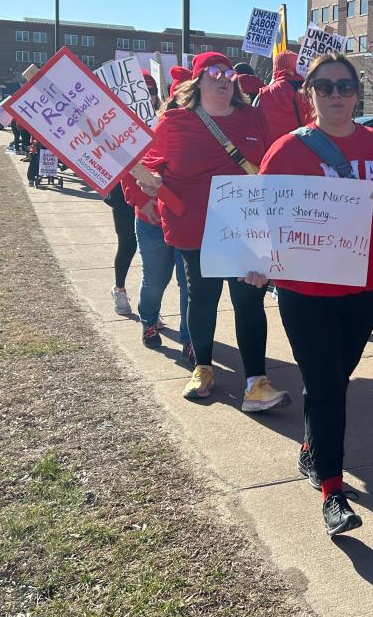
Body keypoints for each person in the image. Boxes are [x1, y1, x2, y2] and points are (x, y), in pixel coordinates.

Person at [258, 52, 373, 537]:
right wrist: (254, 260)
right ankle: (333, 489)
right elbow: (259, 213)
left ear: (357, 93)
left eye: (345, 86)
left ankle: (313, 448)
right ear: (309, 94)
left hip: (365, 283)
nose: (336, 95)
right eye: (325, 87)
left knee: (335, 377)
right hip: (304, 288)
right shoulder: (287, 151)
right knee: (327, 383)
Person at [137, 51, 289, 413]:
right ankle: (202, 368)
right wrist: (149, 188)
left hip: (246, 229)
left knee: (249, 301)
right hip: (194, 227)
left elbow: (276, 163)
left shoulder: (254, 117)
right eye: (212, 72)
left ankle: (256, 381)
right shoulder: (174, 122)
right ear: (198, 81)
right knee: (201, 298)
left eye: (227, 73)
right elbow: (144, 163)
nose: (222, 78)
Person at [121, 82, 191, 360]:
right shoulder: (149, 130)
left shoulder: (202, 132)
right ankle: (149, 321)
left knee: (189, 285)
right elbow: (127, 167)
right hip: (153, 221)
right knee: (156, 279)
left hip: (188, 221)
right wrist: (142, 201)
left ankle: (190, 339)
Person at [253, 51, 314, 142]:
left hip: (274, 152)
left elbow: (254, 128)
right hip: (313, 151)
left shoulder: (263, 95)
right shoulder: (317, 92)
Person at [102, 179, 137, 317]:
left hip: (153, 195)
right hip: (123, 198)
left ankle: (149, 307)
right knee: (127, 245)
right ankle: (119, 289)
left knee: (151, 253)